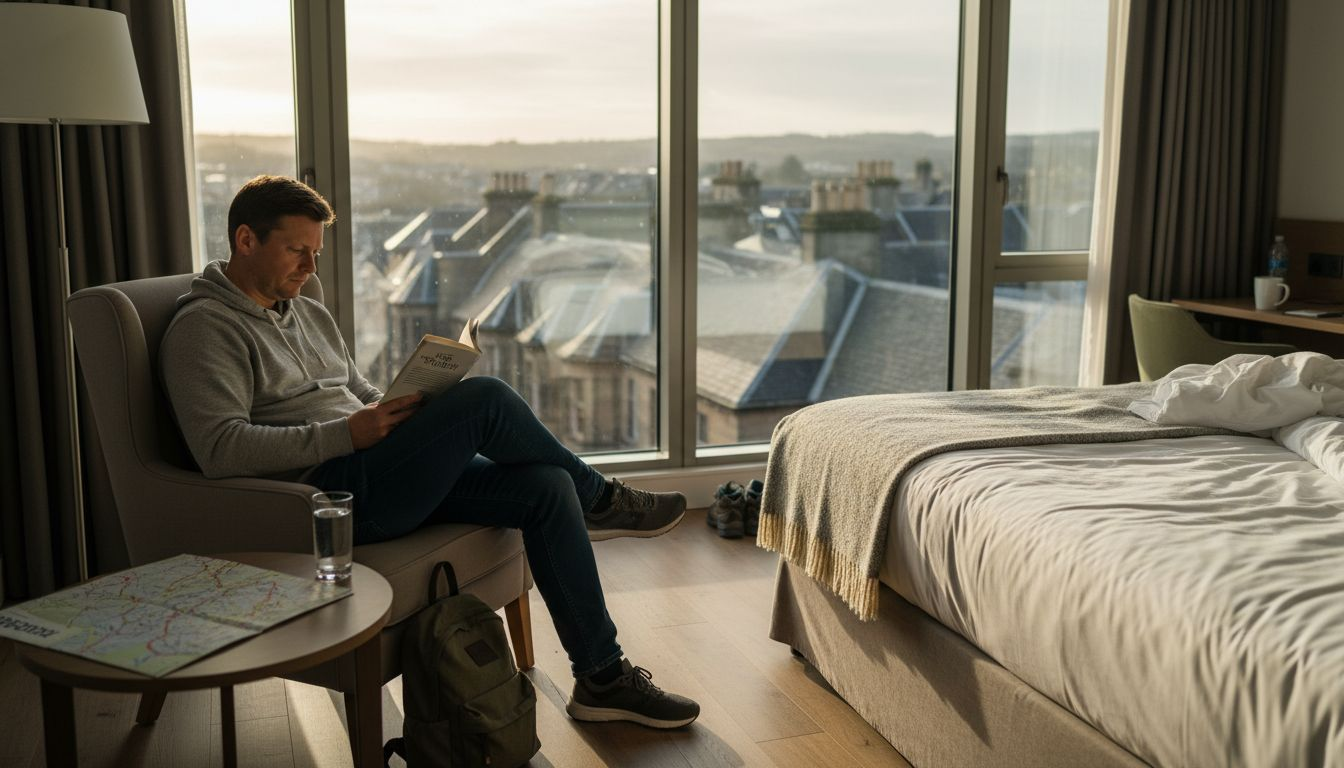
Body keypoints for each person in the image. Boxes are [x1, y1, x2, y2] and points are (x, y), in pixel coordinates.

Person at [160, 175, 699, 728]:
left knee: (547, 486)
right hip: (331, 494)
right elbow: (219, 448)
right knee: (487, 398)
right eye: (298, 250)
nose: (310, 267)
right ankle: (604, 500)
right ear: (246, 240)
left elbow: (356, 391)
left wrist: (402, 406)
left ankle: (601, 678)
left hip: (379, 464)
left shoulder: (306, 309)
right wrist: (348, 434)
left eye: (316, 252)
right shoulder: (204, 329)